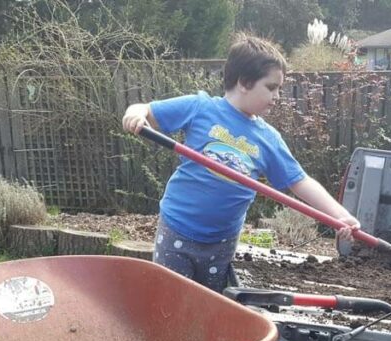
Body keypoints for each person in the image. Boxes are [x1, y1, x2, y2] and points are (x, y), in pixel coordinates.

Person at [121, 34, 359, 292]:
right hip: (177, 228)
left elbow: (299, 181)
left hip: (221, 242)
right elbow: (146, 110)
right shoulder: (201, 108)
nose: (277, 96)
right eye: (271, 87)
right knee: (170, 299)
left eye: (279, 89)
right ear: (244, 82)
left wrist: (341, 216)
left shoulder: (268, 139)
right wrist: (136, 114)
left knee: (209, 305)